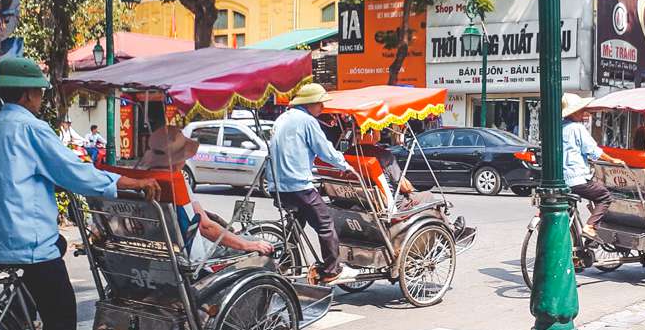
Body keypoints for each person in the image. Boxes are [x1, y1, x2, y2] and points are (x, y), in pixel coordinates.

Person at [0, 57, 160, 330]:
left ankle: (26, 325)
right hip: (23, 237)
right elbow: (73, 173)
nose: (40, 98)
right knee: (63, 311)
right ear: (26, 94)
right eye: (38, 92)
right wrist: (130, 184)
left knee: (57, 249)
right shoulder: (31, 129)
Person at [268, 83, 361, 284]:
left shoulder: (282, 118)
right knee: (325, 223)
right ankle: (331, 270)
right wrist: (344, 166)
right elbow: (324, 149)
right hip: (297, 185)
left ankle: (286, 261)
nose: (322, 108)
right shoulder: (307, 121)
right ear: (310, 104)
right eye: (320, 104)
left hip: (278, 186)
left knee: (296, 224)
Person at [135, 125, 274, 257]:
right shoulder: (176, 182)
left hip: (154, 247)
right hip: (190, 252)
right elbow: (205, 226)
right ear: (180, 158)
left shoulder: (139, 180)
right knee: (260, 245)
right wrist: (247, 245)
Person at [562, 93, 625, 237]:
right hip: (575, 179)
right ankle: (590, 226)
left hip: (560, 180)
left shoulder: (558, 127)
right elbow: (593, 150)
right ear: (575, 112)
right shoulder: (577, 128)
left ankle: (582, 242)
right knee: (604, 196)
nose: (584, 113)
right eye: (582, 110)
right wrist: (612, 160)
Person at [353, 128, 428, 210]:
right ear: (373, 133)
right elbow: (404, 186)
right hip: (389, 202)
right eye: (378, 129)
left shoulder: (349, 152)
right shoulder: (383, 155)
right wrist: (412, 189)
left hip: (359, 197)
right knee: (428, 196)